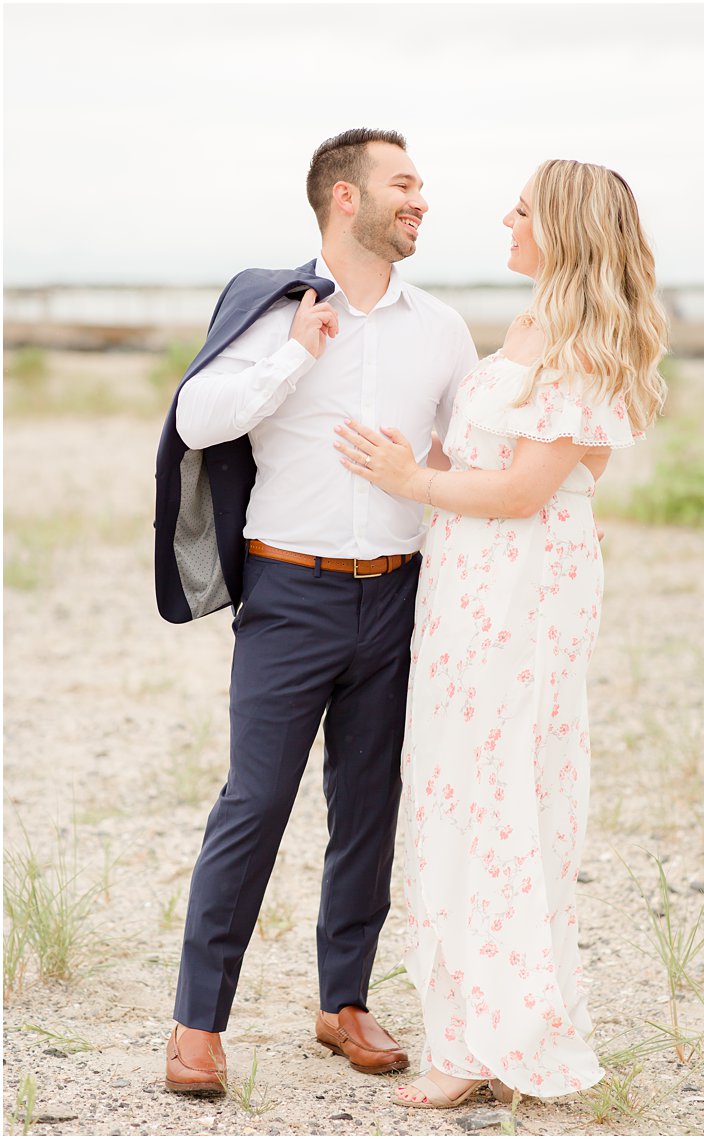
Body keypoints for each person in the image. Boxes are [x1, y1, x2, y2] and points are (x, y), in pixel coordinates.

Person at [334, 158, 667, 1110]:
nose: (506, 220)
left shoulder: (578, 339)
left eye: (522, 209)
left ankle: (492, 1036)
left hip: (518, 589)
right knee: (454, 790)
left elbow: (529, 488)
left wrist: (413, 483)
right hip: (472, 580)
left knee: (495, 795)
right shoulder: (529, 324)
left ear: (562, 228)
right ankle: (473, 1024)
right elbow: (537, 461)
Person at [160, 128, 478, 1094]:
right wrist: (293, 360)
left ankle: (344, 1003)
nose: (422, 198)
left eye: (421, 183)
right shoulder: (275, 310)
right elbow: (194, 419)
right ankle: (196, 1024)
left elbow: (465, 458)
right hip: (289, 591)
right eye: (404, 184)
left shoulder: (443, 328)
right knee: (254, 802)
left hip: (399, 593)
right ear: (346, 198)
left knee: (369, 806)